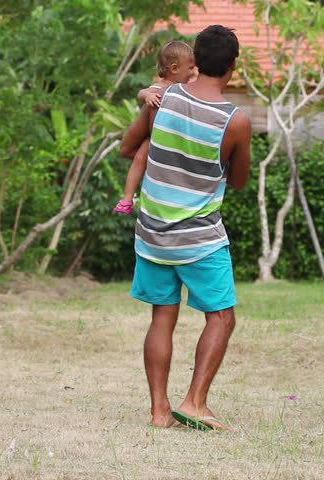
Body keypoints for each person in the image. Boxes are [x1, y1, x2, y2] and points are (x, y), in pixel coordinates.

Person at [119, 25, 252, 431]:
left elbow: (129, 148)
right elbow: (239, 180)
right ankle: (194, 401)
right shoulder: (236, 120)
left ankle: (160, 411)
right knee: (221, 318)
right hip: (199, 238)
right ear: (232, 66)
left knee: (163, 316)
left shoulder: (165, 98)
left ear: (195, 59)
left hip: (153, 234)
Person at [114, 40, 196, 214]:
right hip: (153, 137)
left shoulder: (183, 90)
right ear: (174, 69)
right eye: (190, 68)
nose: (193, 72)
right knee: (139, 160)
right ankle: (127, 198)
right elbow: (141, 92)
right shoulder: (160, 87)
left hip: (166, 140)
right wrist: (148, 96)